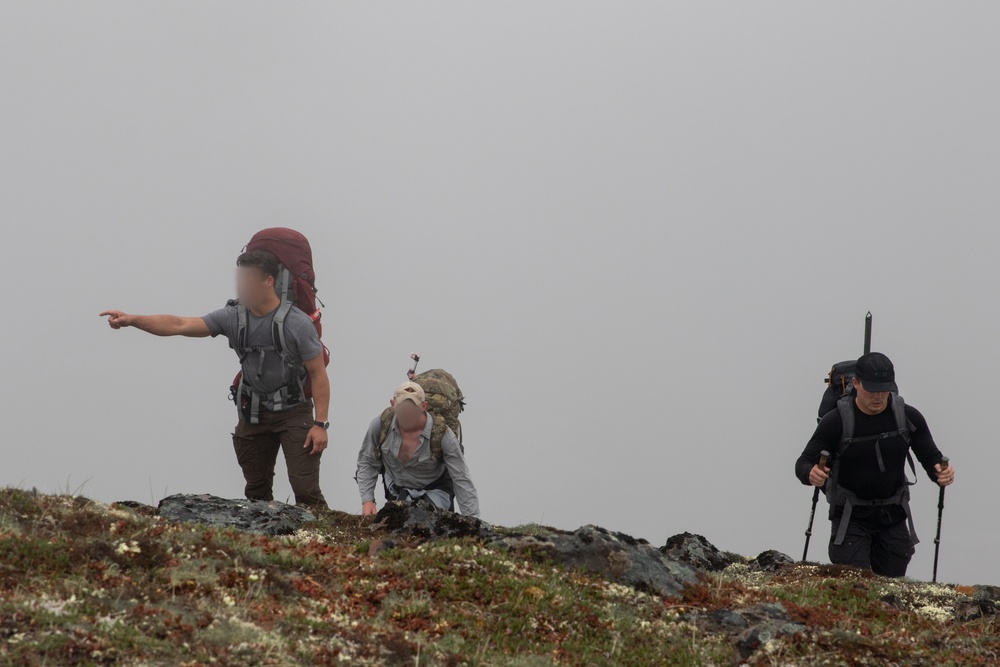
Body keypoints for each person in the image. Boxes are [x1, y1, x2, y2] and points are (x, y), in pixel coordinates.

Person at [100, 249, 331, 508]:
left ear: (268, 281)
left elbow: (318, 374)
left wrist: (320, 424)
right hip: (253, 411)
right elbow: (179, 324)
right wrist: (132, 320)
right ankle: (265, 543)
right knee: (255, 490)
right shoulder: (232, 317)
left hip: (293, 412)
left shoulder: (296, 324)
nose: (241, 286)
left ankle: (323, 543)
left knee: (305, 489)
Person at [795, 352, 955, 577]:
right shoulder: (836, 421)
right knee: (856, 586)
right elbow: (803, 462)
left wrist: (940, 472)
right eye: (871, 389)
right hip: (850, 519)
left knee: (892, 588)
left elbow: (931, 457)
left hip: (893, 516)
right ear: (856, 383)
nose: (878, 396)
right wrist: (809, 473)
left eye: (884, 389)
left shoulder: (907, 417)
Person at [356, 381, 479, 517]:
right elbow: (367, 462)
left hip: (435, 490)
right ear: (393, 404)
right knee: (399, 524)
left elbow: (461, 477)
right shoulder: (380, 425)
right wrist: (367, 500)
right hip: (397, 490)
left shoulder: (443, 435)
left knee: (430, 522)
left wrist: (472, 520)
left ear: (423, 406)